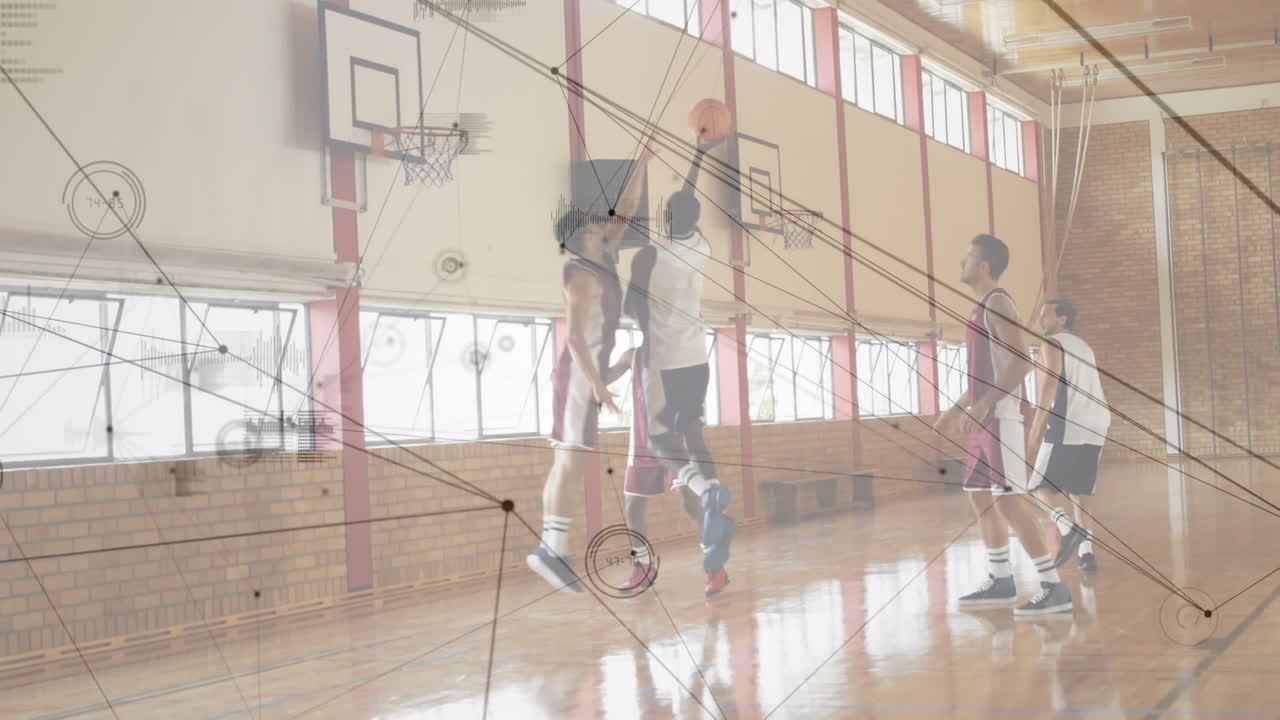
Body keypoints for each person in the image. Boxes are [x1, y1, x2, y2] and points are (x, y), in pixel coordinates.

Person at [525, 146, 651, 593]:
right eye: (595, 223)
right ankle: (550, 550)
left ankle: (552, 547)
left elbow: (629, 208)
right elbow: (576, 340)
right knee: (569, 463)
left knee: (569, 462)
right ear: (583, 235)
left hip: (586, 375)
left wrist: (643, 161)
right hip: (578, 376)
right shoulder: (580, 274)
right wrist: (599, 385)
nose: (604, 223)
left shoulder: (604, 258)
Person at [620, 136, 735, 597]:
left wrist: (645, 321)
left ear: (666, 220)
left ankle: (708, 549)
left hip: (662, 362)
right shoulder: (701, 246)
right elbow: (687, 202)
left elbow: (632, 306)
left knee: (665, 454)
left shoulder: (649, 255)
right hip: (695, 357)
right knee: (650, 488)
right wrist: (701, 155)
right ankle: (706, 556)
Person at [934, 234, 1073, 616]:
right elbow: (984, 373)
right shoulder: (981, 306)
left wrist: (984, 405)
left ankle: (1053, 587)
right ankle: (1001, 579)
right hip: (984, 417)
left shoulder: (997, 303)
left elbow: (1020, 364)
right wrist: (957, 407)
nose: (962, 262)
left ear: (983, 266)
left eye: (968, 256)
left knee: (1010, 502)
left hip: (1003, 418)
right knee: (978, 494)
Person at [1025, 299, 1111, 572]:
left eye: (1046, 315)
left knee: (1037, 487)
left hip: (1069, 420)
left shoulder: (1053, 343)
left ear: (1062, 319)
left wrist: (1036, 429)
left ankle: (1068, 528)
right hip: (1098, 421)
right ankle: (1087, 556)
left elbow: (1050, 383)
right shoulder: (1084, 345)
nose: (1041, 320)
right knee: (1079, 494)